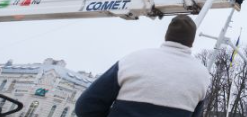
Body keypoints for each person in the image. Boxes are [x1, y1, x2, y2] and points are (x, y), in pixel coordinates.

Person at [75, 15, 210, 117]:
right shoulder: (202, 76)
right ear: (192, 42)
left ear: (167, 35)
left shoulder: (133, 60)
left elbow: (85, 106)